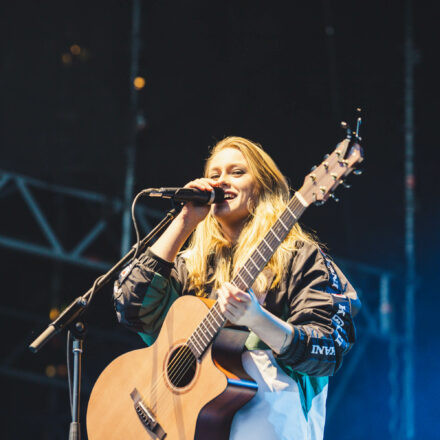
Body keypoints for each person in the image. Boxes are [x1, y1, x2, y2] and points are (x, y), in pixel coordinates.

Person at [113, 136, 361, 440]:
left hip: (272, 423)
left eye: (237, 172)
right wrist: (184, 222)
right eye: (214, 175)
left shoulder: (300, 256)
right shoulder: (190, 264)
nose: (222, 182)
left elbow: (328, 346)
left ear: (262, 188)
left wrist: (257, 318)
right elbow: (130, 306)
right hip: (184, 424)